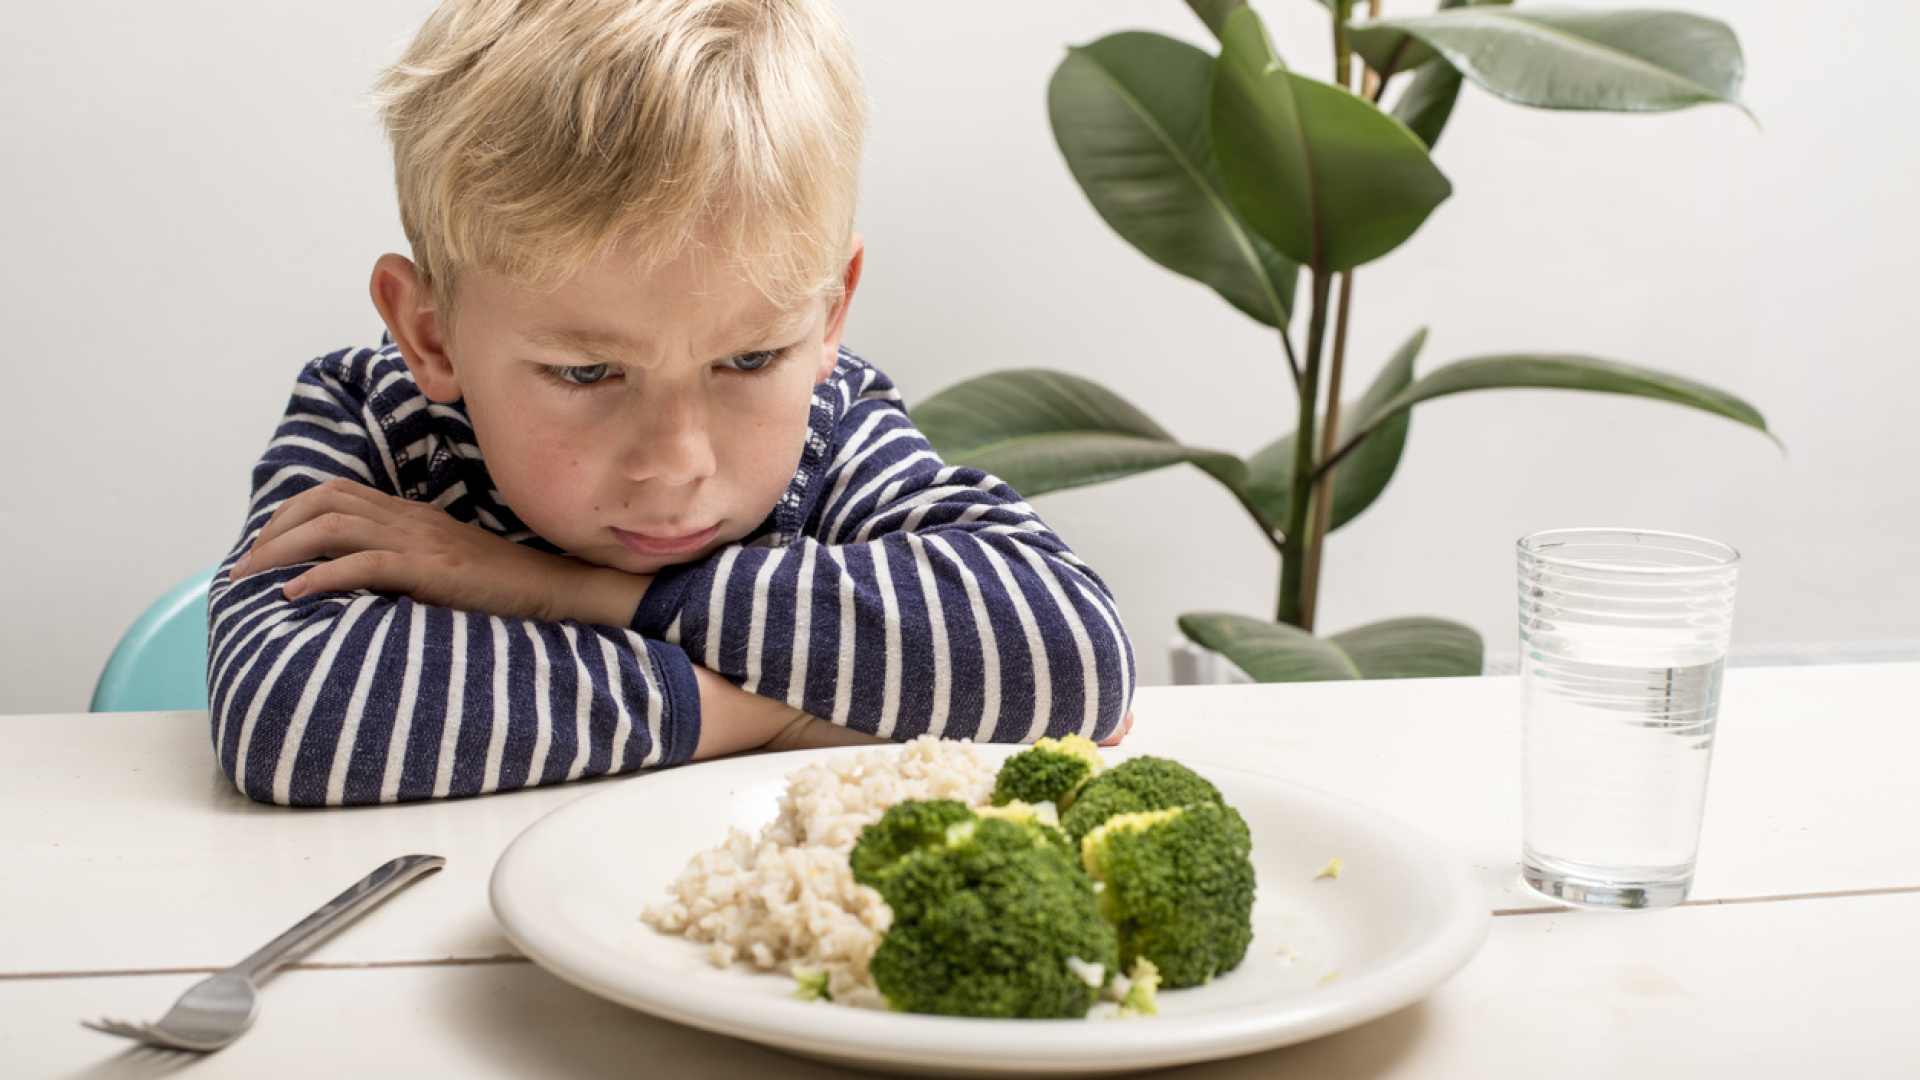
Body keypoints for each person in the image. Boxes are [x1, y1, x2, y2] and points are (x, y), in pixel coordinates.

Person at [209, 0, 1134, 807]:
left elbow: (1074, 651)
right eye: (586, 374)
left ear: (827, 316)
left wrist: (564, 592)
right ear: (432, 335)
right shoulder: (374, 423)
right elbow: (293, 716)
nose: (679, 462)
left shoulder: (831, 426)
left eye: (748, 359)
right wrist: (762, 716)